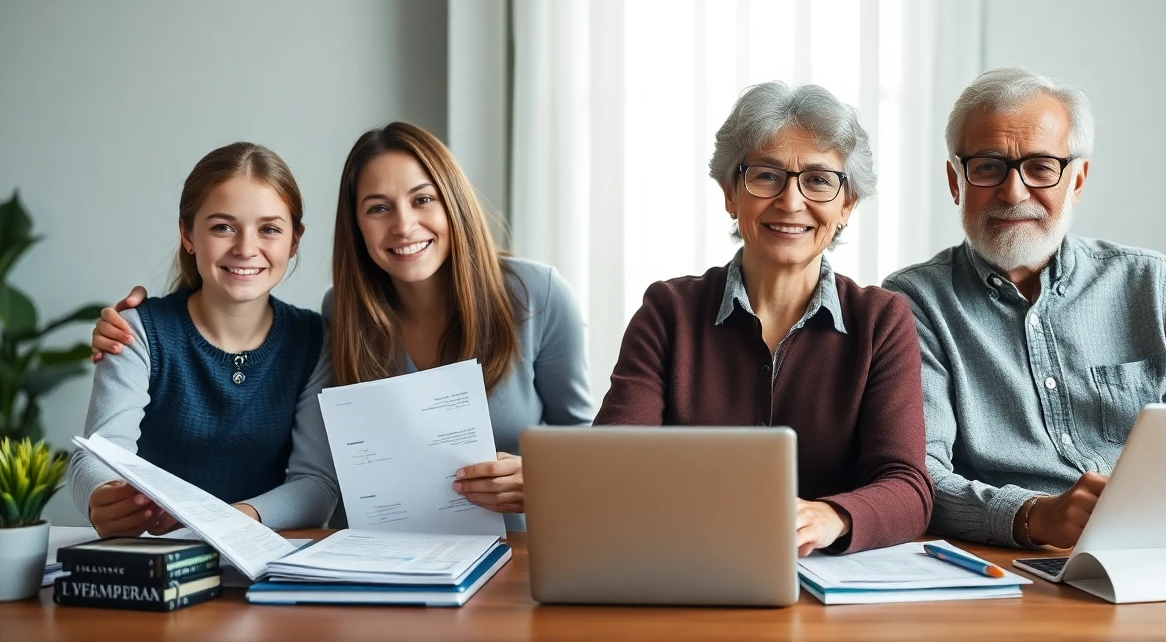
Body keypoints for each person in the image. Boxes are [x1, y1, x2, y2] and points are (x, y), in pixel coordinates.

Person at [883, 66, 1166, 549]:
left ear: (1077, 180)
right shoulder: (912, 303)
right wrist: (1033, 516)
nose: (1014, 193)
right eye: (989, 166)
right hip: (1019, 564)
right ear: (956, 181)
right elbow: (917, 478)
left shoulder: (1153, 284)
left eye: (1040, 167)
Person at [91, 122, 595, 529]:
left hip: (519, 557)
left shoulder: (540, 296)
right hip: (379, 558)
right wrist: (141, 325)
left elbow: (590, 446)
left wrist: (545, 478)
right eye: (378, 209)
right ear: (356, 226)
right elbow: (328, 473)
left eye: (423, 199)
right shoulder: (343, 314)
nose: (403, 226)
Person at [596, 82, 933, 556]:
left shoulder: (882, 320)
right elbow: (613, 462)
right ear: (730, 194)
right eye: (766, 176)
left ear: (847, 205)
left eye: (818, 180)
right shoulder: (667, 311)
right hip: (686, 567)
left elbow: (907, 488)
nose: (791, 202)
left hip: (825, 588)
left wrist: (831, 516)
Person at [70, 143, 334, 536]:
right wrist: (102, 493)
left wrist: (228, 521)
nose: (246, 248)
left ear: (294, 241)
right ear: (188, 234)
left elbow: (317, 484)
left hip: (263, 562)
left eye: (269, 229)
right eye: (223, 227)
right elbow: (97, 453)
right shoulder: (139, 331)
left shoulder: (313, 339)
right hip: (158, 559)